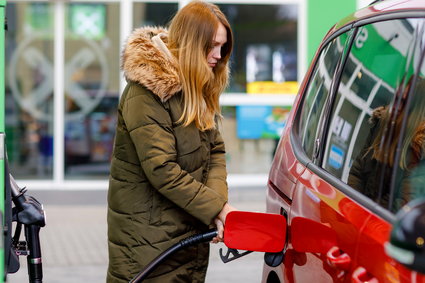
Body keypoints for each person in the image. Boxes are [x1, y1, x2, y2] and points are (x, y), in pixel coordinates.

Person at [107, 1, 236, 282]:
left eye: (222, 48)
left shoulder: (197, 87)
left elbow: (215, 150)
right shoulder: (146, 91)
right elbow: (162, 169)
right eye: (211, 46)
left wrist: (215, 207)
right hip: (148, 245)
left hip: (186, 236)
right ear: (191, 43)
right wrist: (217, 209)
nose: (217, 56)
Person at [348, 77, 425, 211]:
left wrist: (363, 215)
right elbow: (357, 173)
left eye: (403, 102)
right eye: (396, 97)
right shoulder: (382, 125)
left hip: (379, 225)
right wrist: (352, 208)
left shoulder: (418, 149)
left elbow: (402, 204)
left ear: (416, 111)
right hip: (357, 214)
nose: (394, 106)